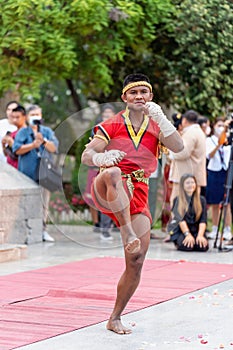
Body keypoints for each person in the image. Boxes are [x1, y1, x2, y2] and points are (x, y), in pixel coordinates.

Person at [81, 73, 183, 334]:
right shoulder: (112, 124)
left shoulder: (156, 125)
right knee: (115, 173)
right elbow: (86, 155)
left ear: (150, 97)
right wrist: (102, 156)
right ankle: (126, 231)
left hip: (139, 191)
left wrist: (162, 119)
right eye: (133, 92)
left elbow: (179, 147)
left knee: (136, 260)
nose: (139, 97)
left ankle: (114, 317)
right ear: (124, 97)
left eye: (144, 92)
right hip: (108, 186)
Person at [12, 104, 59, 242]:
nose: (36, 117)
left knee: (44, 203)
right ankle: (25, 231)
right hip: (27, 174)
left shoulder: (47, 131)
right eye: (33, 115)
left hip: (44, 174)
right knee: (25, 203)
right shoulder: (23, 132)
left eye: (38, 114)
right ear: (27, 117)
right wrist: (33, 145)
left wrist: (43, 141)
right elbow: (17, 150)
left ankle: (43, 230)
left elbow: (54, 148)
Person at [83, 103, 116, 240]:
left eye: (110, 114)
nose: (107, 116)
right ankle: (104, 228)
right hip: (100, 167)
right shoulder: (97, 130)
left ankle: (112, 226)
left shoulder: (119, 128)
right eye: (105, 114)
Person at [169, 110, 206, 207]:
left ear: (184, 120)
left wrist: (170, 152)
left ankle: (177, 222)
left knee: (178, 203)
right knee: (193, 205)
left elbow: (182, 152)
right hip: (193, 174)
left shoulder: (191, 132)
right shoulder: (198, 131)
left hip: (185, 175)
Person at [206, 117, 232, 241]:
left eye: (223, 125)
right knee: (215, 203)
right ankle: (215, 228)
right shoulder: (209, 140)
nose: (221, 127)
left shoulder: (228, 140)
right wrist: (218, 145)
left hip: (225, 172)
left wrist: (226, 136)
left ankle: (227, 229)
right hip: (214, 171)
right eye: (219, 125)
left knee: (226, 202)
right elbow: (209, 155)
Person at [167, 174, 209, 251]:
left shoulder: (202, 200)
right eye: (188, 183)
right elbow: (181, 220)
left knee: (202, 247)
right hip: (182, 231)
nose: (191, 185)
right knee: (187, 246)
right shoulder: (177, 200)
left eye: (193, 182)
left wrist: (200, 235)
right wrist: (187, 234)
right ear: (182, 186)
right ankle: (179, 241)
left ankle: (196, 238)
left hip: (196, 230)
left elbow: (203, 220)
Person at [1, 104, 27, 168]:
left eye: (17, 117)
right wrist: (3, 145)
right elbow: (7, 154)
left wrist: (12, 143)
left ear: (24, 117)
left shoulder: (28, 133)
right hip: (9, 169)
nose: (15, 120)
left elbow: (25, 154)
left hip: (20, 171)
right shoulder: (13, 133)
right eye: (13, 117)